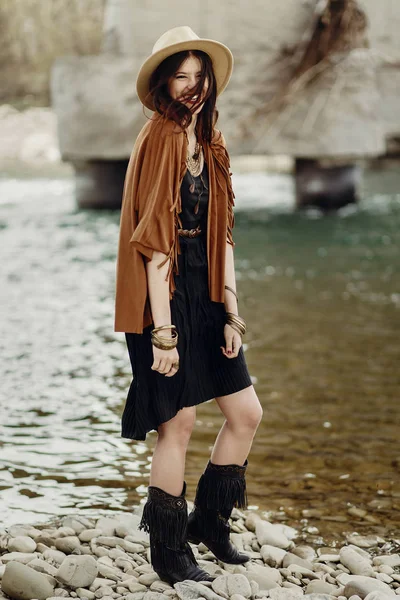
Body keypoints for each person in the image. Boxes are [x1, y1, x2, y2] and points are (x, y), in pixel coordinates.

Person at [114, 26, 263, 585]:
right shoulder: (160, 137)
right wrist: (163, 334)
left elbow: (223, 235)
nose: (194, 86)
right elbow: (153, 244)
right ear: (163, 83)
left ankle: (211, 524)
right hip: (163, 303)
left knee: (246, 413)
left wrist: (231, 311)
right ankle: (170, 554)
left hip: (206, 293)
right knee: (177, 425)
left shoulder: (212, 142)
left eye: (201, 76)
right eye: (182, 75)